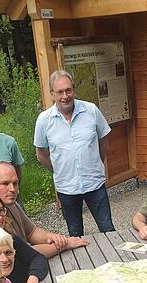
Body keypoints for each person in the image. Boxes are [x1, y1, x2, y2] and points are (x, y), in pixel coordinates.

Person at [34, 70, 116, 237]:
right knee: (75, 234)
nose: (65, 96)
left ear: (74, 90)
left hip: (95, 184)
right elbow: (41, 153)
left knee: (108, 229)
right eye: (60, 92)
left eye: (68, 90)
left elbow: (103, 141)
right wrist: (58, 170)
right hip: (66, 188)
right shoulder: (44, 120)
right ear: (52, 95)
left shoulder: (91, 110)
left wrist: (96, 164)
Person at [0, 161, 89, 257]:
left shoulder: (11, 203)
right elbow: (23, 255)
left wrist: (53, 237)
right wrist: (64, 245)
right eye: (5, 184)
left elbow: (31, 232)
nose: (12, 189)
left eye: (15, 183)